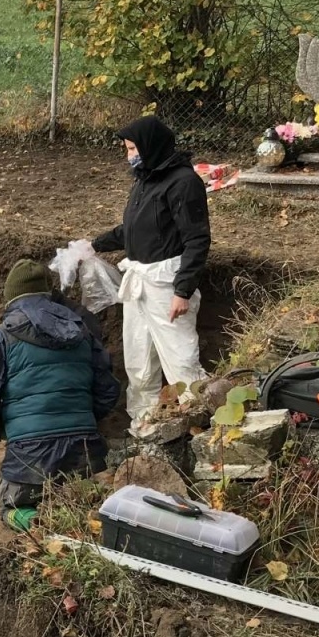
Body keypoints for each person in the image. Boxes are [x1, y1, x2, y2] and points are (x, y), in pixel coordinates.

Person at [0, 260, 120, 530]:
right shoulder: (81, 330)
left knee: (13, 507)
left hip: (30, 452)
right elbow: (109, 390)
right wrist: (82, 417)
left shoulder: (3, 335)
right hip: (84, 448)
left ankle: (40, 525)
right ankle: (83, 524)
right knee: (84, 500)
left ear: (11, 297)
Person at [91, 115, 211, 428]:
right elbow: (133, 230)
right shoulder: (145, 180)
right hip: (140, 283)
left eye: (132, 148)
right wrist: (93, 245)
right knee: (139, 360)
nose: (129, 155)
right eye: (127, 149)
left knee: (181, 360)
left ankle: (201, 425)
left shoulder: (183, 183)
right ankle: (144, 426)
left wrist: (182, 291)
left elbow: (197, 239)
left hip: (166, 283)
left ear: (150, 146)